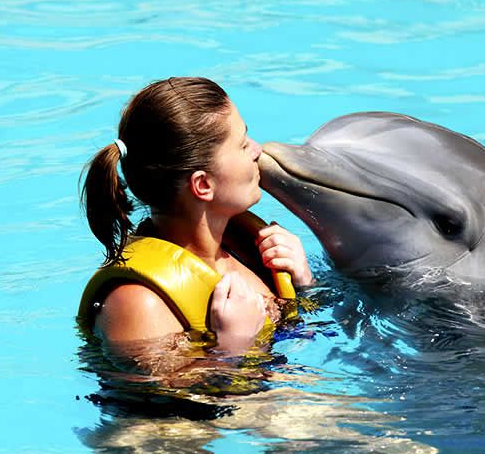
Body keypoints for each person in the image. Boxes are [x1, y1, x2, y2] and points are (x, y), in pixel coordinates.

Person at [78, 77, 312, 367]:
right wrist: (233, 347)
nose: (257, 150)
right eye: (241, 144)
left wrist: (305, 285)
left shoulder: (246, 250)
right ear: (203, 185)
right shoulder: (137, 304)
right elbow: (153, 409)